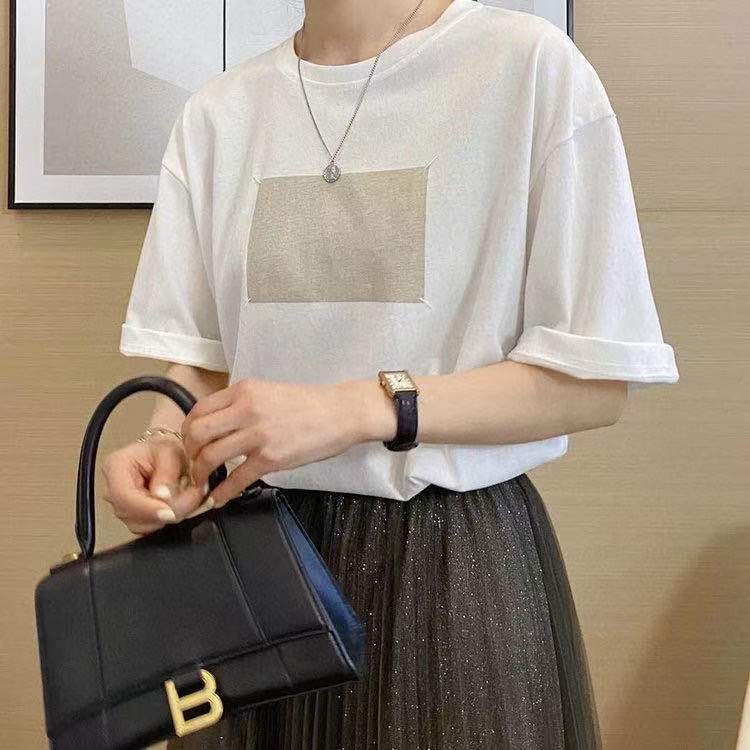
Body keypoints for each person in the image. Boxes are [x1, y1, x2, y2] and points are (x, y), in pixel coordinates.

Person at [104, 0, 680, 747]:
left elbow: (593, 382)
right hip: (257, 568)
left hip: (451, 568)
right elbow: (206, 361)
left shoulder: (527, 69)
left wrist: (360, 409)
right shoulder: (220, 113)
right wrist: (166, 446)